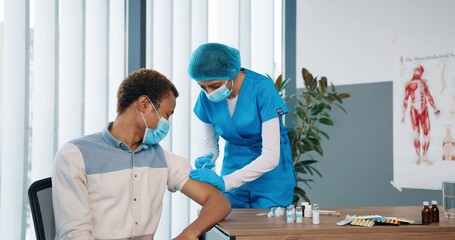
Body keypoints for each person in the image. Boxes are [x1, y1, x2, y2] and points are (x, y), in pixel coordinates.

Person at [52, 68, 231, 240]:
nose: (167, 124)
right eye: (167, 115)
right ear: (144, 104)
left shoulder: (164, 160)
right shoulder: (75, 155)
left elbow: (218, 203)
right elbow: (74, 234)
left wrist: (189, 233)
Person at [187, 42, 295, 208]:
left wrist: (226, 182)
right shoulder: (205, 98)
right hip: (233, 164)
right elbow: (210, 145)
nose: (209, 93)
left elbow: (271, 156)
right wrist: (208, 159)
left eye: (215, 85)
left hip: (271, 176)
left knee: (267, 229)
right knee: (229, 226)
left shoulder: (262, 89)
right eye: (202, 87)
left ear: (232, 73)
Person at [401, 65, 440, 165]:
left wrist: (435, 108)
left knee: (427, 134)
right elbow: (405, 99)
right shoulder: (409, 84)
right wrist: (403, 114)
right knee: (416, 133)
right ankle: (418, 156)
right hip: (414, 109)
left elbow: (429, 96)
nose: (417, 73)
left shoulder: (424, 83)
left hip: (424, 110)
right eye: (416, 71)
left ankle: (425, 156)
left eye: (419, 71)